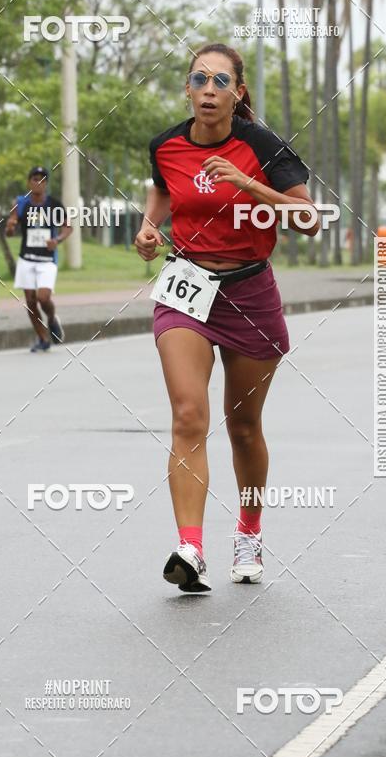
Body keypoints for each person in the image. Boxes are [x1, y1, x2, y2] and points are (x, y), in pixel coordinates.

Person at [134, 42, 319, 594]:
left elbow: (308, 219)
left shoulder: (263, 145)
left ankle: (249, 530)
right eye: (198, 80)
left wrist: (249, 186)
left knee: (242, 427)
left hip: (250, 292)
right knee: (189, 415)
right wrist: (148, 229)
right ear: (187, 90)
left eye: (220, 81)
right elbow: (164, 191)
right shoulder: (165, 144)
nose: (208, 90)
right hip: (186, 289)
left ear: (238, 92)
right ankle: (190, 547)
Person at [5, 166, 72, 351]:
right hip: (26, 258)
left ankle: (51, 319)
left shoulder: (54, 204)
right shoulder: (21, 204)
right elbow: (10, 230)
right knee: (31, 301)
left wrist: (57, 239)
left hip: (47, 260)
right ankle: (43, 338)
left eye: (42, 180)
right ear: (29, 182)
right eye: (35, 179)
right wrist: (10, 228)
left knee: (43, 298)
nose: (38, 183)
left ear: (46, 184)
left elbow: (68, 227)